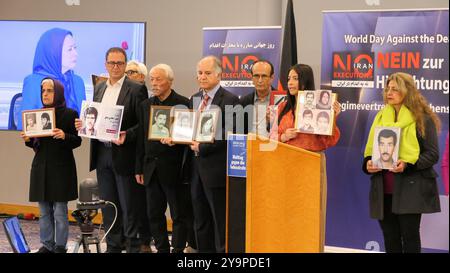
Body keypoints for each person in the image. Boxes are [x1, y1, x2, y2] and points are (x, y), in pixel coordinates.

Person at [75, 47, 147, 253]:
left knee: (129, 205)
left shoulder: (136, 89)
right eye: (112, 63)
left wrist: (127, 135)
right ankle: (113, 246)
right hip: (102, 153)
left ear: (125, 66)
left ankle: (133, 246)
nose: (115, 67)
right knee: (108, 204)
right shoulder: (99, 88)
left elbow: (143, 125)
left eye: (120, 63)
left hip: (124, 154)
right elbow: (94, 117)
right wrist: (84, 124)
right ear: (105, 64)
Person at [362, 72, 441, 253]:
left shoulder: (423, 119)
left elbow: (432, 154)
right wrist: (368, 163)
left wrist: (407, 164)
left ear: (408, 92)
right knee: (390, 238)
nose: (389, 93)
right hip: (384, 188)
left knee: (410, 236)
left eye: (395, 89)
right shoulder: (380, 117)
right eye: (388, 89)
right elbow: (370, 152)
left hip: (411, 188)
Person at [269, 64, 341, 247]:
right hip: (286, 165)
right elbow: (270, 138)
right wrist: (284, 136)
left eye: (294, 78)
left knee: (311, 213)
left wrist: (332, 117)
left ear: (305, 81)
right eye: (288, 79)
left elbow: (329, 141)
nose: (290, 82)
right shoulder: (283, 107)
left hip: (311, 165)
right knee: (288, 212)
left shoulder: (320, 106)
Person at [20, 78, 82, 253]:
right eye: (43, 91)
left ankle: (60, 246)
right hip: (41, 168)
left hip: (61, 169)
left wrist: (65, 136)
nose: (45, 94)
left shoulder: (70, 114)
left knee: (60, 212)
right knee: (44, 211)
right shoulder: (37, 115)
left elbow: (77, 141)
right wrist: (28, 140)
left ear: (59, 92)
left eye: (49, 90)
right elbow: (37, 145)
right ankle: (47, 245)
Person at [135, 63, 191, 253]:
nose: (154, 83)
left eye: (158, 79)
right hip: (150, 168)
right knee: (153, 213)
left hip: (174, 168)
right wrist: (138, 168)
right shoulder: (145, 105)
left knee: (178, 214)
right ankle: (161, 248)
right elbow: (141, 139)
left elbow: (188, 136)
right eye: (152, 79)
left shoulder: (183, 103)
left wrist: (177, 139)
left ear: (170, 81)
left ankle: (177, 249)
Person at [189, 56, 239, 253]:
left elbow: (228, 134)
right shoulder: (194, 99)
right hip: (195, 170)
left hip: (216, 170)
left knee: (220, 220)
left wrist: (202, 148)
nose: (202, 77)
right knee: (200, 220)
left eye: (207, 73)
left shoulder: (230, 100)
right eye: (200, 73)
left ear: (219, 75)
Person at [19, 28, 86, 130]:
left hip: (72, 141)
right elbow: (26, 125)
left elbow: (84, 122)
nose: (75, 54)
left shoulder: (78, 81)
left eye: (75, 48)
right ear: (53, 52)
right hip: (45, 142)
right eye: (69, 49)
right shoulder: (33, 82)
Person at [239, 60, 274, 137]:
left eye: (264, 76)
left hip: (274, 146)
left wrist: (272, 122)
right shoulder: (244, 101)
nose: (260, 80)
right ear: (252, 78)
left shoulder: (281, 100)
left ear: (272, 78)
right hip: (250, 147)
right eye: (256, 76)